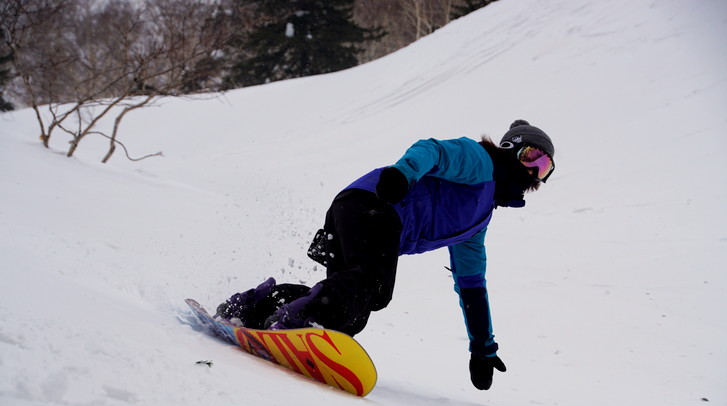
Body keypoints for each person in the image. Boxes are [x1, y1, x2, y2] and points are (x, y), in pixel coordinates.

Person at [217, 120, 555, 391]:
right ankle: (291, 322)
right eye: (531, 157)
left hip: (359, 210)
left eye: (543, 167)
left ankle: (253, 308)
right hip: (376, 202)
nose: (533, 170)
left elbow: (472, 287)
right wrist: (404, 174)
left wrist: (482, 347)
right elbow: (433, 150)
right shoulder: (480, 161)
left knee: (353, 314)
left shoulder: (476, 225)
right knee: (373, 285)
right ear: (510, 149)